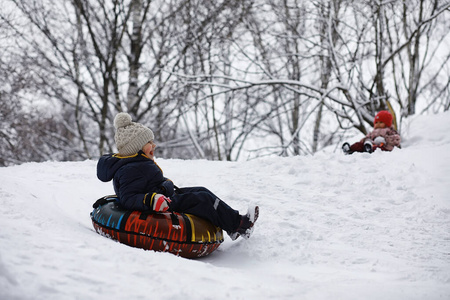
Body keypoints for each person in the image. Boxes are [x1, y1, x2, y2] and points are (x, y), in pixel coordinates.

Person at [97, 112, 258, 240]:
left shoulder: (138, 163)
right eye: (149, 143)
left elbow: (152, 182)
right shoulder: (129, 170)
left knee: (201, 190)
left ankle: (233, 226)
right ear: (136, 148)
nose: (154, 145)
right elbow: (128, 197)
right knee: (202, 199)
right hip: (159, 206)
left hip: (164, 197)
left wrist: (163, 185)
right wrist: (151, 200)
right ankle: (240, 225)